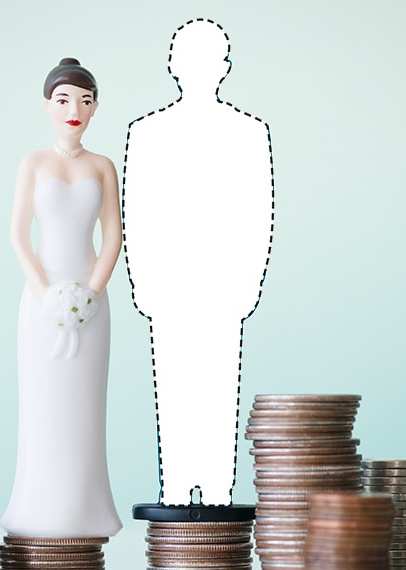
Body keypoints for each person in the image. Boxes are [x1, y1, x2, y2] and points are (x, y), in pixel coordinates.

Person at [123, 19, 274, 506]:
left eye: (210, 60)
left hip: (224, 285)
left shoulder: (250, 132)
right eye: (189, 59)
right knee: (173, 386)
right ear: (173, 66)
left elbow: (259, 211)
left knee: (217, 389)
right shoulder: (146, 133)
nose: (199, 70)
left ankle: (216, 490)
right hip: (168, 285)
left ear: (225, 68)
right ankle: (175, 486)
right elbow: (136, 211)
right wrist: (142, 283)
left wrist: (248, 284)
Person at [1, 57, 123, 538]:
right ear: (47, 105)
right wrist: (48, 296)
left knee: (83, 409)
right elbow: (18, 236)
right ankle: (35, 513)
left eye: (86, 101)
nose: (75, 109)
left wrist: (90, 295)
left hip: (92, 304)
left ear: (95, 109)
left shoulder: (103, 166)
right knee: (43, 407)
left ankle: (86, 512)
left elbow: (113, 238)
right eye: (65, 100)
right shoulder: (33, 163)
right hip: (40, 301)